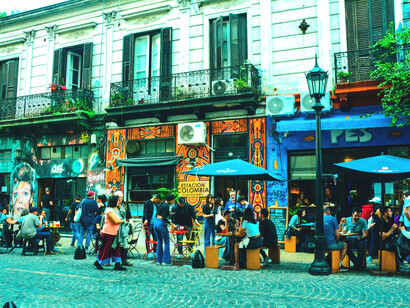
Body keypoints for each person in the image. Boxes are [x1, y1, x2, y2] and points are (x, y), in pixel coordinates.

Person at [94, 195, 125, 271]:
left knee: (116, 248)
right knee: (106, 248)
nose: (119, 202)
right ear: (115, 202)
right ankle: (99, 262)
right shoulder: (109, 210)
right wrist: (123, 221)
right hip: (109, 233)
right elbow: (115, 221)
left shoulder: (115, 209)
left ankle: (117, 264)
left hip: (114, 233)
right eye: (118, 200)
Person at [154, 194, 177, 265]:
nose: (173, 202)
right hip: (161, 223)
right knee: (166, 242)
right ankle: (165, 261)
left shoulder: (161, 204)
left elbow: (157, 215)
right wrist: (172, 224)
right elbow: (164, 218)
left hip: (156, 222)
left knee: (159, 242)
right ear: (169, 200)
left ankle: (158, 260)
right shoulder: (167, 206)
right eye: (173, 201)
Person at [323, 207, 348, 271]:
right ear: (329, 212)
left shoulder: (318, 219)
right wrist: (337, 239)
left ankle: (330, 261)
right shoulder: (333, 219)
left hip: (320, 246)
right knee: (345, 244)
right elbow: (337, 235)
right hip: (330, 245)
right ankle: (339, 263)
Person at [114, 191, 133, 267]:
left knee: (124, 244)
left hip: (123, 228)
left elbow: (128, 217)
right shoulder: (112, 206)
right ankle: (107, 261)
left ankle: (124, 260)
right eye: (119, 197)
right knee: (114, 245)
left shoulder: (123, 205)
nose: (120, 199)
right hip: (115, 227)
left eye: (121, 197)